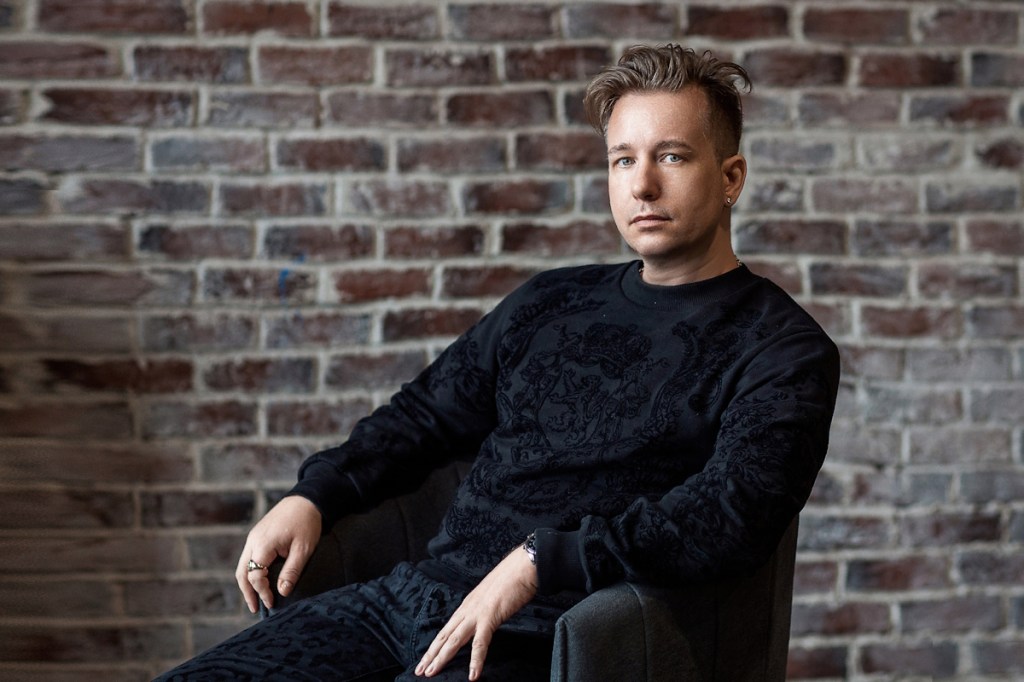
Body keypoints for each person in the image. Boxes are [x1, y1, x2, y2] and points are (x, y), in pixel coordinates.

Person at [156, 44, 840, 681]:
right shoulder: (550, 301)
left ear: (731, 177)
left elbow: (729, 514)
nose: (642, 186)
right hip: (407, 601)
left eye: (672, 156)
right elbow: (425, 414)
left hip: (542, 637)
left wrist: (545, 559)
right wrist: (314, 494)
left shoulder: (782, 349)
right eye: (622, 160)